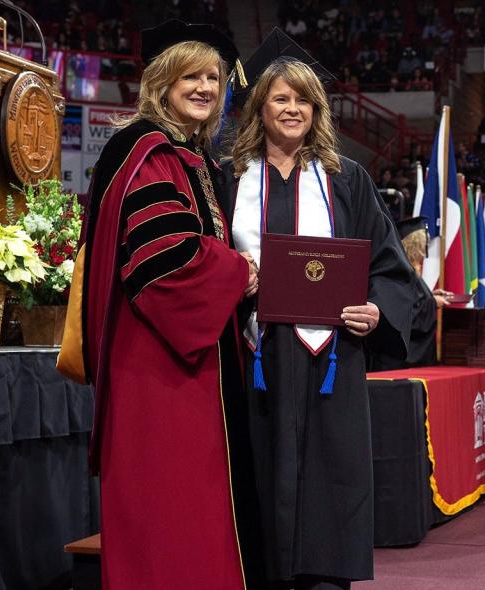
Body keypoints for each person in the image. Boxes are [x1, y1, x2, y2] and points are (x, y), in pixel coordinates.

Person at [221, 32, 414, 589]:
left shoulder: (345, 179)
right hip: (257, 354)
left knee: (333, 478)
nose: (292, 109)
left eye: (303, 100)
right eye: (280, 98)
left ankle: (325, 578)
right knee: (259, 473)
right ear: (260, 105)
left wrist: (376, 310)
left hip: (332, 360)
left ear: (317, 109)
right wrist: (237, 277)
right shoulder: (230, 178)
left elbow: (388, 265)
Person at [80, 21, 263, 588]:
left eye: (213, 77)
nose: (206, 87)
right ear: (163, 81)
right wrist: (240, 271)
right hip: (159, 365)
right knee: (171, 504)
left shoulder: (191, 157)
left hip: (190, 357)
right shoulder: (147, 152)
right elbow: (166, 266)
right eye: (192, 76)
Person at [367, 216, 451, 371]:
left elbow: (415, 301)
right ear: (415, 244)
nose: (425, 247)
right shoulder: (401, 273)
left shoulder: (414, 272)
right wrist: (433, 303)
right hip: (399, 362)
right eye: (422, 243)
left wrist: (431, 296)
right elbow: (405, 313)